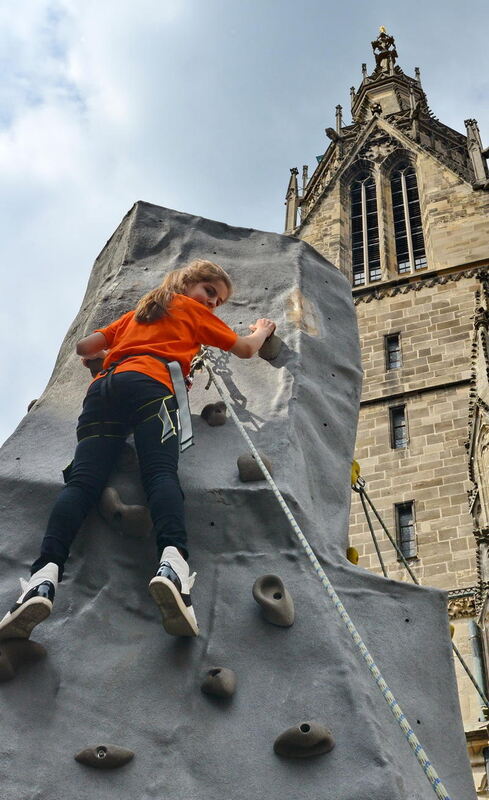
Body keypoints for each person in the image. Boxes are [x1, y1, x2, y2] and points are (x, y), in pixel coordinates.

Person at [0, 260, 275, 640]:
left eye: (219, 301)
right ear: (187, 283)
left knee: (81, 484)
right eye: (210, 291)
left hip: (104, 390)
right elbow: (244, 349)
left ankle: (42, 579)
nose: (213, 303)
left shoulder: (139, 312)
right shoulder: (191, 310)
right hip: (152, 387)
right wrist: (261, 331)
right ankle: (173, 565)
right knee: (159, 473)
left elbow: (85, 347)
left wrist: (111, 354)